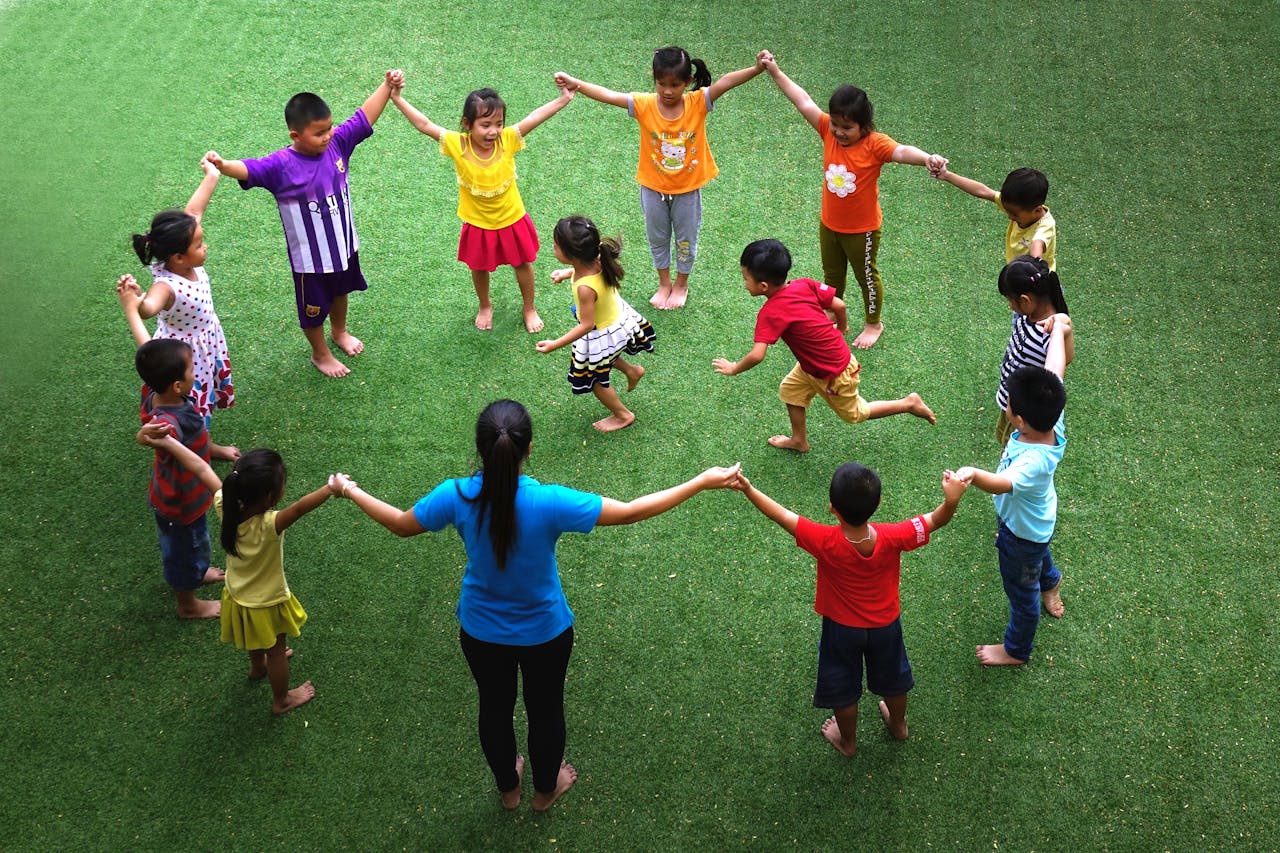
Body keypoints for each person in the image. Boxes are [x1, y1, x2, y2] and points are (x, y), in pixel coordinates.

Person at [328, 399, 741, 811]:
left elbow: (401, 524)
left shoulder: (455, 496)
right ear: (528, 450)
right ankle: (545, 792)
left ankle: (509, 791)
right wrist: (700, 481)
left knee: (493, 708)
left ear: (480, 449)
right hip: (546, 633)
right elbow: (631, 512)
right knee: (546, 711)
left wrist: (349, 489)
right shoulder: (550, 501)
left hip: (480, 633)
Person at [734, 463, 968, 756]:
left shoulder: (823, 540)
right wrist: (952, 499)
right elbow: (937, 520)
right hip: (886, 626)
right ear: (879, 504)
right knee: (894, 680)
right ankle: (899, 726)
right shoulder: (895, 535)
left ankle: (848, 742)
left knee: (843, 688)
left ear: (833, 509)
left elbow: (779, 514)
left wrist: (748, 488)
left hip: (841, 629)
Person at [207, 74, 395, 377]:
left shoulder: (337, 144)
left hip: (343, 246)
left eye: (330, 127)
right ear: (295, 135)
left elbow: (363, 117)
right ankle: (320, 354)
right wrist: (222, 165)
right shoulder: (280, 166)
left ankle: (340, 332)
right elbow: (249, 168)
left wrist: (387, 87)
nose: (328, 135)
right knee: (312, 311)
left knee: (341, 290)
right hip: (310, 261)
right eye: (319, 132)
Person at [136, 427, 334, 714]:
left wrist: (166, 441)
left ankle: (257, 667)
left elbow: (201, 466)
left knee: (257, 640)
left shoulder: (224, 506)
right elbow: (301, 508)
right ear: (270, 497)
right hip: (267, 602)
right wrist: (331, 489)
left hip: (237, 595)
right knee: (277, 649)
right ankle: (282, 700)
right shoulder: (269, 524)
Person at [759, 50, 948, 349]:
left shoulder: (876, 145)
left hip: (863, 231)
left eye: (847, 128)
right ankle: (834, 313)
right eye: (836, 124)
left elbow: (901, 152)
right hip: (829, 224)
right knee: (832, 275)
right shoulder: (827, 131)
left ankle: (874, 323)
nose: (839, 132)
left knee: (866, 277)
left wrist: (928, 158)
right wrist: (775, 72)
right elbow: (802, 100)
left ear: (864, 126)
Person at [554, 47, 766, 309]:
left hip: (687, 190)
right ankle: (664, 283)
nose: (667, 91)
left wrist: (756, 69)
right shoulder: (644, 104)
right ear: (654, 79)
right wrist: (578, 84)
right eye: (661, 83)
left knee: (686, 239)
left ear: (687, 82)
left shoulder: (697, 103)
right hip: (653, 189)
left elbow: (725, 82)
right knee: (657, 237)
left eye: (675, 85)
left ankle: (681, 284)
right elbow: (609, 95)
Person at [384, 70, 575, 333]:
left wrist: (563, 99)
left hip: (512, 218)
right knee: (479, 267)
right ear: (467, 124)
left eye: (498, 123)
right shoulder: (457, 145)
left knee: (522, 264)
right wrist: (396, 97)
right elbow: (425, 125)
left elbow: (534, 117)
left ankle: (529, 307)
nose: (493, 131)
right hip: (477, 222)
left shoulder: (508, 139)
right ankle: (485, 304)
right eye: (485, 125)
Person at [712, 239, 935, 453]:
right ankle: (799, 441)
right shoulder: (804, 284)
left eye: (745, 279)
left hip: (834, 373)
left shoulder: (770, 313)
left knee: (855, 414)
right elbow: (839, 304)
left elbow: (757, 355)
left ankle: (908, 403)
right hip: (813, 365)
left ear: (762, 286)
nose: (744, 283)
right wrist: (842, 327)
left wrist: (734, 368)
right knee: (790, 390)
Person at [956, 312, 1072, 666]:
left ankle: (1016, 650)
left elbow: (1003, 483)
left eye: (1008, 401)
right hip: (1035, 524)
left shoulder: (1033, 463)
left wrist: (972, 474)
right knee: (1039, 557)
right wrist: (1061, 328)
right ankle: (1051, 584)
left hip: (1021, 536)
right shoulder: (1051, 416)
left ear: (1018, 419)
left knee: (1022, 593)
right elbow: (1055, 367)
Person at [117, 155, 238, 461]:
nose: (204, 245)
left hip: (206, 340)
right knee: (193, 406)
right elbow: (148, 309)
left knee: (204, 397)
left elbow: (194, 211)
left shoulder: (181, 250)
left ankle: (205, 441)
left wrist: (212, 175)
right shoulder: (166, 286)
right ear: (178, 259)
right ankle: (204, 446)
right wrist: (135, 301)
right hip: (186, 354)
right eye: (199, 245)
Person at [535, 216, 656, 432]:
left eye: (555, 246)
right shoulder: (598, 258)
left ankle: (623, 415)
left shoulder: (585, 289)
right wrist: (567, 273)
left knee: (596, 381)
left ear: (572, 255)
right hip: (618, 322)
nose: (552, 248)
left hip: (601, 331)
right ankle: (631, 371)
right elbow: (583, 270)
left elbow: (586, 325)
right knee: (606, 357)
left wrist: (555, 344)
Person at [133, 338, 224, 619]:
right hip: (180, 503)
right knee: (182, 551)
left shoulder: (154, 391)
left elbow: (146, 348)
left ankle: (196, 570)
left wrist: (130, 310)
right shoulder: (166, 425)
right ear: (177, 385)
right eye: (191, 370)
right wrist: (144, 436)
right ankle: (188, 605)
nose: (195, 374)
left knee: (194, 544)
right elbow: (159, 435)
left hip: (184, 495)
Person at [991, 255, 1073, 448]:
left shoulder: (1047, 331)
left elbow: (1065, 361)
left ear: (1025, 300)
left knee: (1010, 448)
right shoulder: (1028, 314)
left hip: (1023, 412)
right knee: (1003, 440)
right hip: (1010, 399)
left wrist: (1064, 328)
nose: (1010, 306)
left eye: (1010, 300)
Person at [932, 166, 1056, 270]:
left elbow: (1037, 244)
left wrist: (1035, 270)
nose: (1009, 216)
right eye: (1007, 211)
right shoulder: (1018, 205)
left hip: (1039, 283)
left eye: (1014, 214)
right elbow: (983, 191)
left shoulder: (1045, 225)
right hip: (1019, 276)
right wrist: (947, 175)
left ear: (1037, 210)